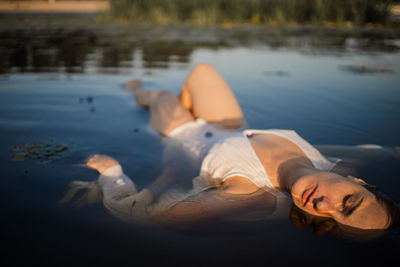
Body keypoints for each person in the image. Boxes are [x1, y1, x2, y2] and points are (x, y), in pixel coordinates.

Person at [82, 64, 399, 230]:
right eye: (349, 202)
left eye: (328, 222)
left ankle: (136, 89)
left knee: (160, 95)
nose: (323, 206)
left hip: (181, 133)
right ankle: (174, 100)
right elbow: (368, 150)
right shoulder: (336, 166)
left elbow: (146, 216)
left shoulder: (247, 194)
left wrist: (111, 174)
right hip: (232, 127)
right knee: (202, 71)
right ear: (357, 182)